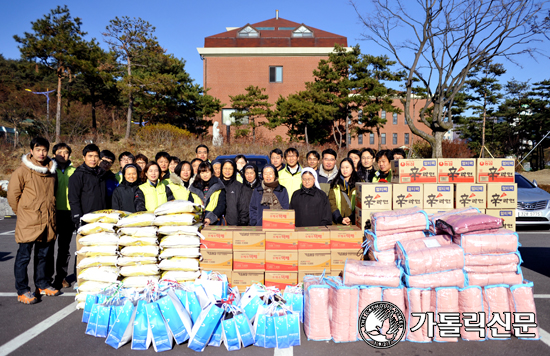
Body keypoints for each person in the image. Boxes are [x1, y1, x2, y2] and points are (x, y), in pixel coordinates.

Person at [8, 137, 60, 304]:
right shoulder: (22, 171)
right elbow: (12, 196)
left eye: (44, 150)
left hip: (47, 219)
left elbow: (54, 193)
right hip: (28, 221)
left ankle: (42, 284)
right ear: (31, 151)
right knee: (24, 256)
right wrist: (23, 213)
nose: (41, 153)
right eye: (38, 150)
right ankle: (22, 290)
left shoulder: (52, 171)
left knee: (43, 255)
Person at [48, 142, 76, 290]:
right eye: (60, 152)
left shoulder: (74, 171)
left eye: (66, 152)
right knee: (49, 247)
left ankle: (61, 277)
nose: (63, 155)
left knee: (64, 249)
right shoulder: (49, 170)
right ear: (54, 155)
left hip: (69, 213)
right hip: (53, 212)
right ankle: (47, 278)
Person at [69, 144, 109, 229]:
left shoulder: (102, 174)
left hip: (102, 217)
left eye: (96, 156)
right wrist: (77, 217)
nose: (93, 159)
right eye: (90, 156)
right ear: (84, 157)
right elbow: (73, 198)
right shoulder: (78, 175)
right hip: (86, 218)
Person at [189, 161, 226, 226]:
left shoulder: (218, 186)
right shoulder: (194, 187)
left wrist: (210, 218)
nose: (205, 175)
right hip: (197, 219)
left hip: (214, 219)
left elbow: (221, 205)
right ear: (199, 173)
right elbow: (190, 203)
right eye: (202, 172)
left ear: (211, 172)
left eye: (207, 172)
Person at [329, 158, 358, 226]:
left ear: (352, 168)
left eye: (347, 167)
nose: (345, 170)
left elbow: (361, 203)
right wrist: (339, 218)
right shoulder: (335, 184)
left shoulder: (359, 183)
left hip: (354, 222)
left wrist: (351, 217)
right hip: (338, 222)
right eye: (342, 167)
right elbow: (331, 203)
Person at [220, 160, 248, 226]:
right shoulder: (216, 185)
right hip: (217, 224)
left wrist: (242, 223)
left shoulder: (239, 187)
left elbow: (244, 207)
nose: (227, 171)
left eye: (230, 168)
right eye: (225, 168)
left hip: (234, 224)